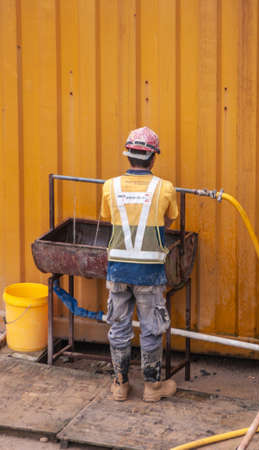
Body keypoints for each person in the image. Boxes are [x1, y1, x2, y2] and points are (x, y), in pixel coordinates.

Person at [101, 126, 178, 402]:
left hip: (118, 270)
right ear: (153, 158)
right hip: (149, 273)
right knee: (151, 328)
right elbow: (169, 221)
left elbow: (110, 218)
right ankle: (152, 388)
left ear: (128, 155)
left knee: (119, 327)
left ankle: (120, 384)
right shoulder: (165, 188)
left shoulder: (110, 186)